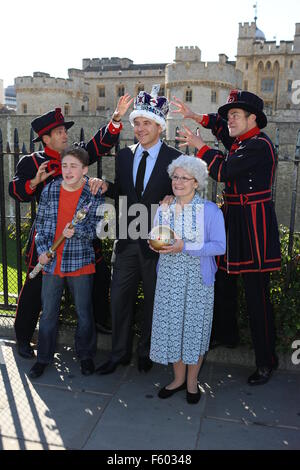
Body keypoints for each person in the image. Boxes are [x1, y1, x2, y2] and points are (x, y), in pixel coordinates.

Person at [8, 95, 132, 359]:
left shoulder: (75, 154)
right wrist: (34, 181)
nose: (65, 134)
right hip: (47, 238)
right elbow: (16, 191)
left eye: (65, 130)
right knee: (33, 290)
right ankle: (22, 337)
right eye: (59, 131)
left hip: (80, 235)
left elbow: (99, 145)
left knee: (96, 280)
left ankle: (98, 323)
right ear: (46, 138)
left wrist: (116, 119)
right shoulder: (31, 162)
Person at [172, 90, 281, 385]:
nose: (228, 120)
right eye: (229, 115)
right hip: (233, 218)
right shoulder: (241, 140)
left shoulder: (259, 145)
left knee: (257, 295)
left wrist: (200, 146)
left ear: (252, 118)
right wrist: (197, 117)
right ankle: (227, 336)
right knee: (224, 281)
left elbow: (223, 171)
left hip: (254, 224)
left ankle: (266, 361)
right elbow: (220, 128)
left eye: (235, 115)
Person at [95, 85, 182, 375]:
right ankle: (119, 353)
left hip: (158, 242)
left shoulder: (175, 159)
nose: (140, 128)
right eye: (136, 123)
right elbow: (124, 191)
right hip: (126, 238)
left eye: (146, 123)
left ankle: (146, 352)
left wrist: (176, 198)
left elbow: (188, 193)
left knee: (154, 301)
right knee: (119, 299)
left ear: (159, 126)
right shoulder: (123, 155)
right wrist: (108, 187)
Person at [149, 155, 225, 403]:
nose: (178, 182)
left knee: (194, 332)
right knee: (173, 330)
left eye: (185, 178)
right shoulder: (165, 206)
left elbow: (219, 247)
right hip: (169, 280)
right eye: (175, 176)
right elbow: (156, 236)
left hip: (197, 283)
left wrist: (185, 246)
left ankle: (192, 382)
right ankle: (178, 379)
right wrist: (155, 244)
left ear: (197, 182)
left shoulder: (210, 211)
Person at [28, 146, 103, 378]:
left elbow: (98, 230)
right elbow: (40, 225)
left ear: (84, 170)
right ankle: (43, 358)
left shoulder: (93, 194)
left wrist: (77, 231)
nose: (68, 171)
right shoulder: (50, 189)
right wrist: (42, 251)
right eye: (65, 166)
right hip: (51, 262)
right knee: (48, 312)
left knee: (83, 312)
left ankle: (86, 355)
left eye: (73, 166)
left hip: (80, 261)